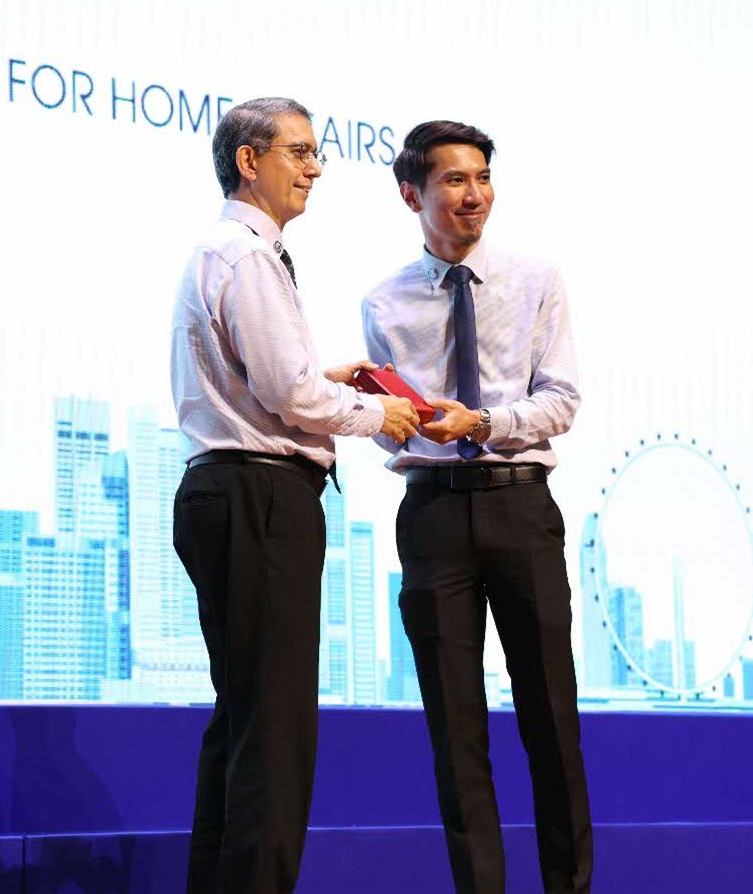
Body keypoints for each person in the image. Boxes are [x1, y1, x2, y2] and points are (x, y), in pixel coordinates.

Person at [171, 96, 420, 894]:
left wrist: (326, 380)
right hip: (259, 497)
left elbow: (284, 381)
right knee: (273, 738)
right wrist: (378, 410)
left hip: (230, 493)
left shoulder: (230, 253)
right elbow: (291, 396)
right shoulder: (246, 256)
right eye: (298, 152)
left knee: (245, 728)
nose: (315, 167)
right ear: (250, 161)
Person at [361, 120, 593, 894]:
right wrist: (385, 416)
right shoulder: (384, 301)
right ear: (411, 194)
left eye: (482, 176)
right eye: (454, 180)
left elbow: (561, 400)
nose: (474, 194)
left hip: (520, 506)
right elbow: (386, 427)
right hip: (430, 515)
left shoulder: (535, 279)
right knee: (455, 731)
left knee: (549, 719)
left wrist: (486, 425)